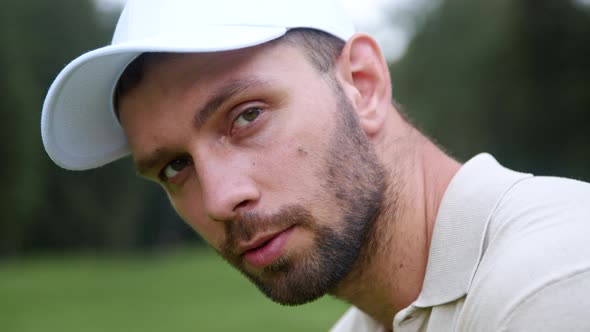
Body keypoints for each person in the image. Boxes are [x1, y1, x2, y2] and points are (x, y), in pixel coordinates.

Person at [41, 0, 590, 331]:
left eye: (247, 116)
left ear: (363, 86)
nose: (219, 198)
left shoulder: (552, 284)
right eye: (174, 167)